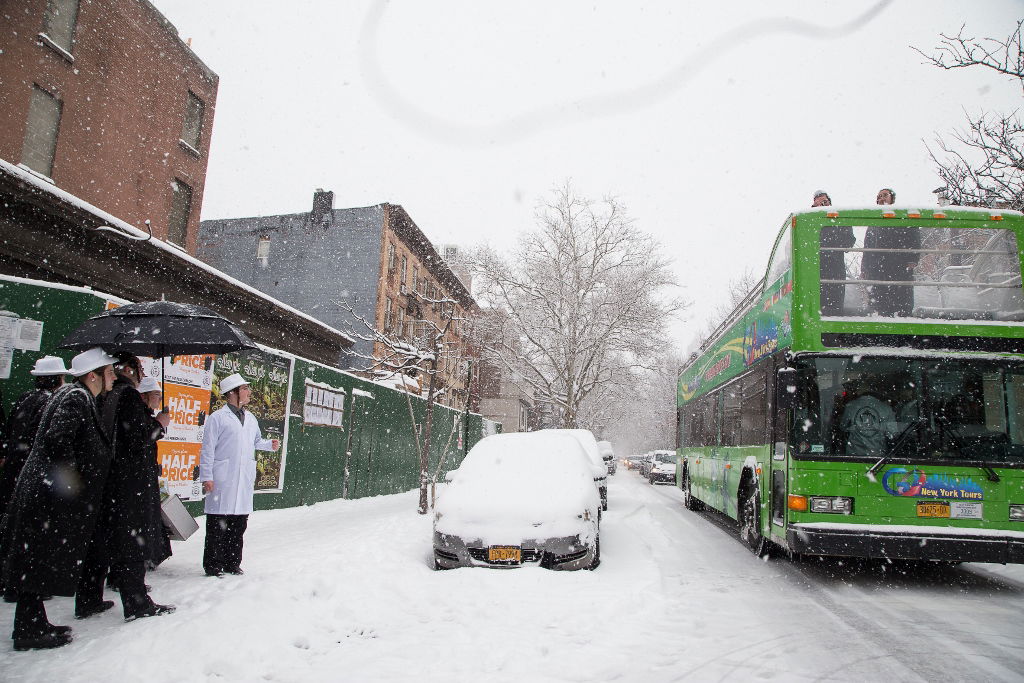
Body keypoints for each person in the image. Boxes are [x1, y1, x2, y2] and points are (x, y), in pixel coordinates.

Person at [0, 347, 117, 651]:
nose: (113, 377)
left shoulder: (77, 397)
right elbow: (58, 440)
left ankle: (33, 623)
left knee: (37, 561)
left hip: (43, 494)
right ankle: (28, 630)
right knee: (37, 560)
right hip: (46, 497)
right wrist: (72, 484)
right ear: (93, 375)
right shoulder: (76, 398)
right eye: (109, 372)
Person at [82, 355, 174, 622]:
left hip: (110, 481)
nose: (142, 375)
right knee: (133, 544)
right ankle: (137, 603)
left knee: (103, 543)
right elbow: (137, 439)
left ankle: (89, 598)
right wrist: (159, 424)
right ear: (129, 370)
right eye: (140, 370)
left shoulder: (105, 397)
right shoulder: (129, 397)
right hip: (130, 483)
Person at [200, 373, 280, 577]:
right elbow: (208, 449)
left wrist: (268, 445)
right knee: (218, 524)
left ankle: (232, 562)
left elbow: (255, 441)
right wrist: (207, 476)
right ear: (233, 393)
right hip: (222, 479)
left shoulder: (251, 418)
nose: (249, 392)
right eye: (245, 389)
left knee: (238, 525)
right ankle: (213, 564)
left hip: (242, 479)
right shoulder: (217, 418)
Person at [0, 356, 67, 520]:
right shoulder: (50, 403)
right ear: (57, 378)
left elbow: (10, 428)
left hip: (13, 467)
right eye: (63, 378)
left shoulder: (26, 397)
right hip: (30, 472)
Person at [863, 188, 921, 316]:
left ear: (892, 199)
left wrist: (912, 259)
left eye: (884, 195)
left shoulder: (902, 216)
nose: (881, 198)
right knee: (878, 303)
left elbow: (914, 236)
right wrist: (865, 268)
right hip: (877, 269)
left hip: (899, 266)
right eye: (879, 196)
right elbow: (866, 248)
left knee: (901, 300)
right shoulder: (873, 222)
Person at [814, 191, 856, 316]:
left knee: (835, 304)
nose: (822, 205)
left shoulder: (838, 219)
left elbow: (849, 242)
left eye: (825, 202)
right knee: (816, 304)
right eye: (819, 203)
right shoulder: (810, 220)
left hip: (835, 269)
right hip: (815, 270)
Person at [839, 382, 897, 457]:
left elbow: (843, 427)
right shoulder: (886, 408)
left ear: (859, 392)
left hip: (854, 454)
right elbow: (893, 434)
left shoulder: (850, 406)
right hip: (879, 456)